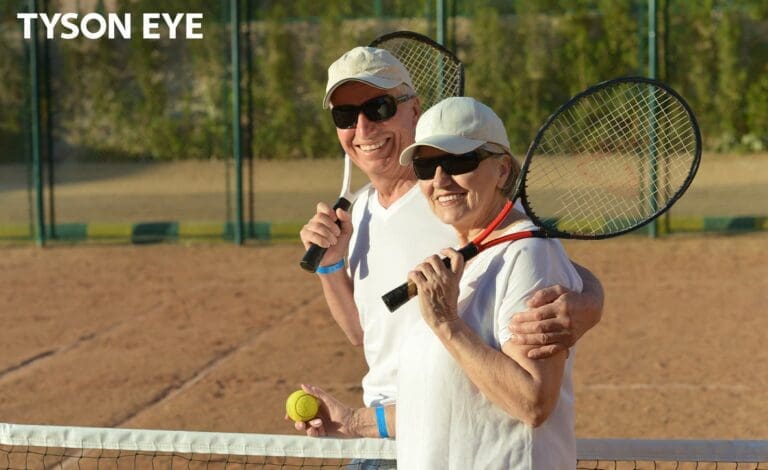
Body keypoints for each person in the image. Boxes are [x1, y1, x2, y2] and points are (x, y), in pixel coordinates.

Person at [295, 46, 601, 455]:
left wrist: (590, 304)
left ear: (414, 109)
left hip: (449, 432)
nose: (364, 128)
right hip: (390, 436)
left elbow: (536, 256)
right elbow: (365, 333)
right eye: (346, 117)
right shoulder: (363, 210)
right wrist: (331, 266)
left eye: (380, 107)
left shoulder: (460, 206)